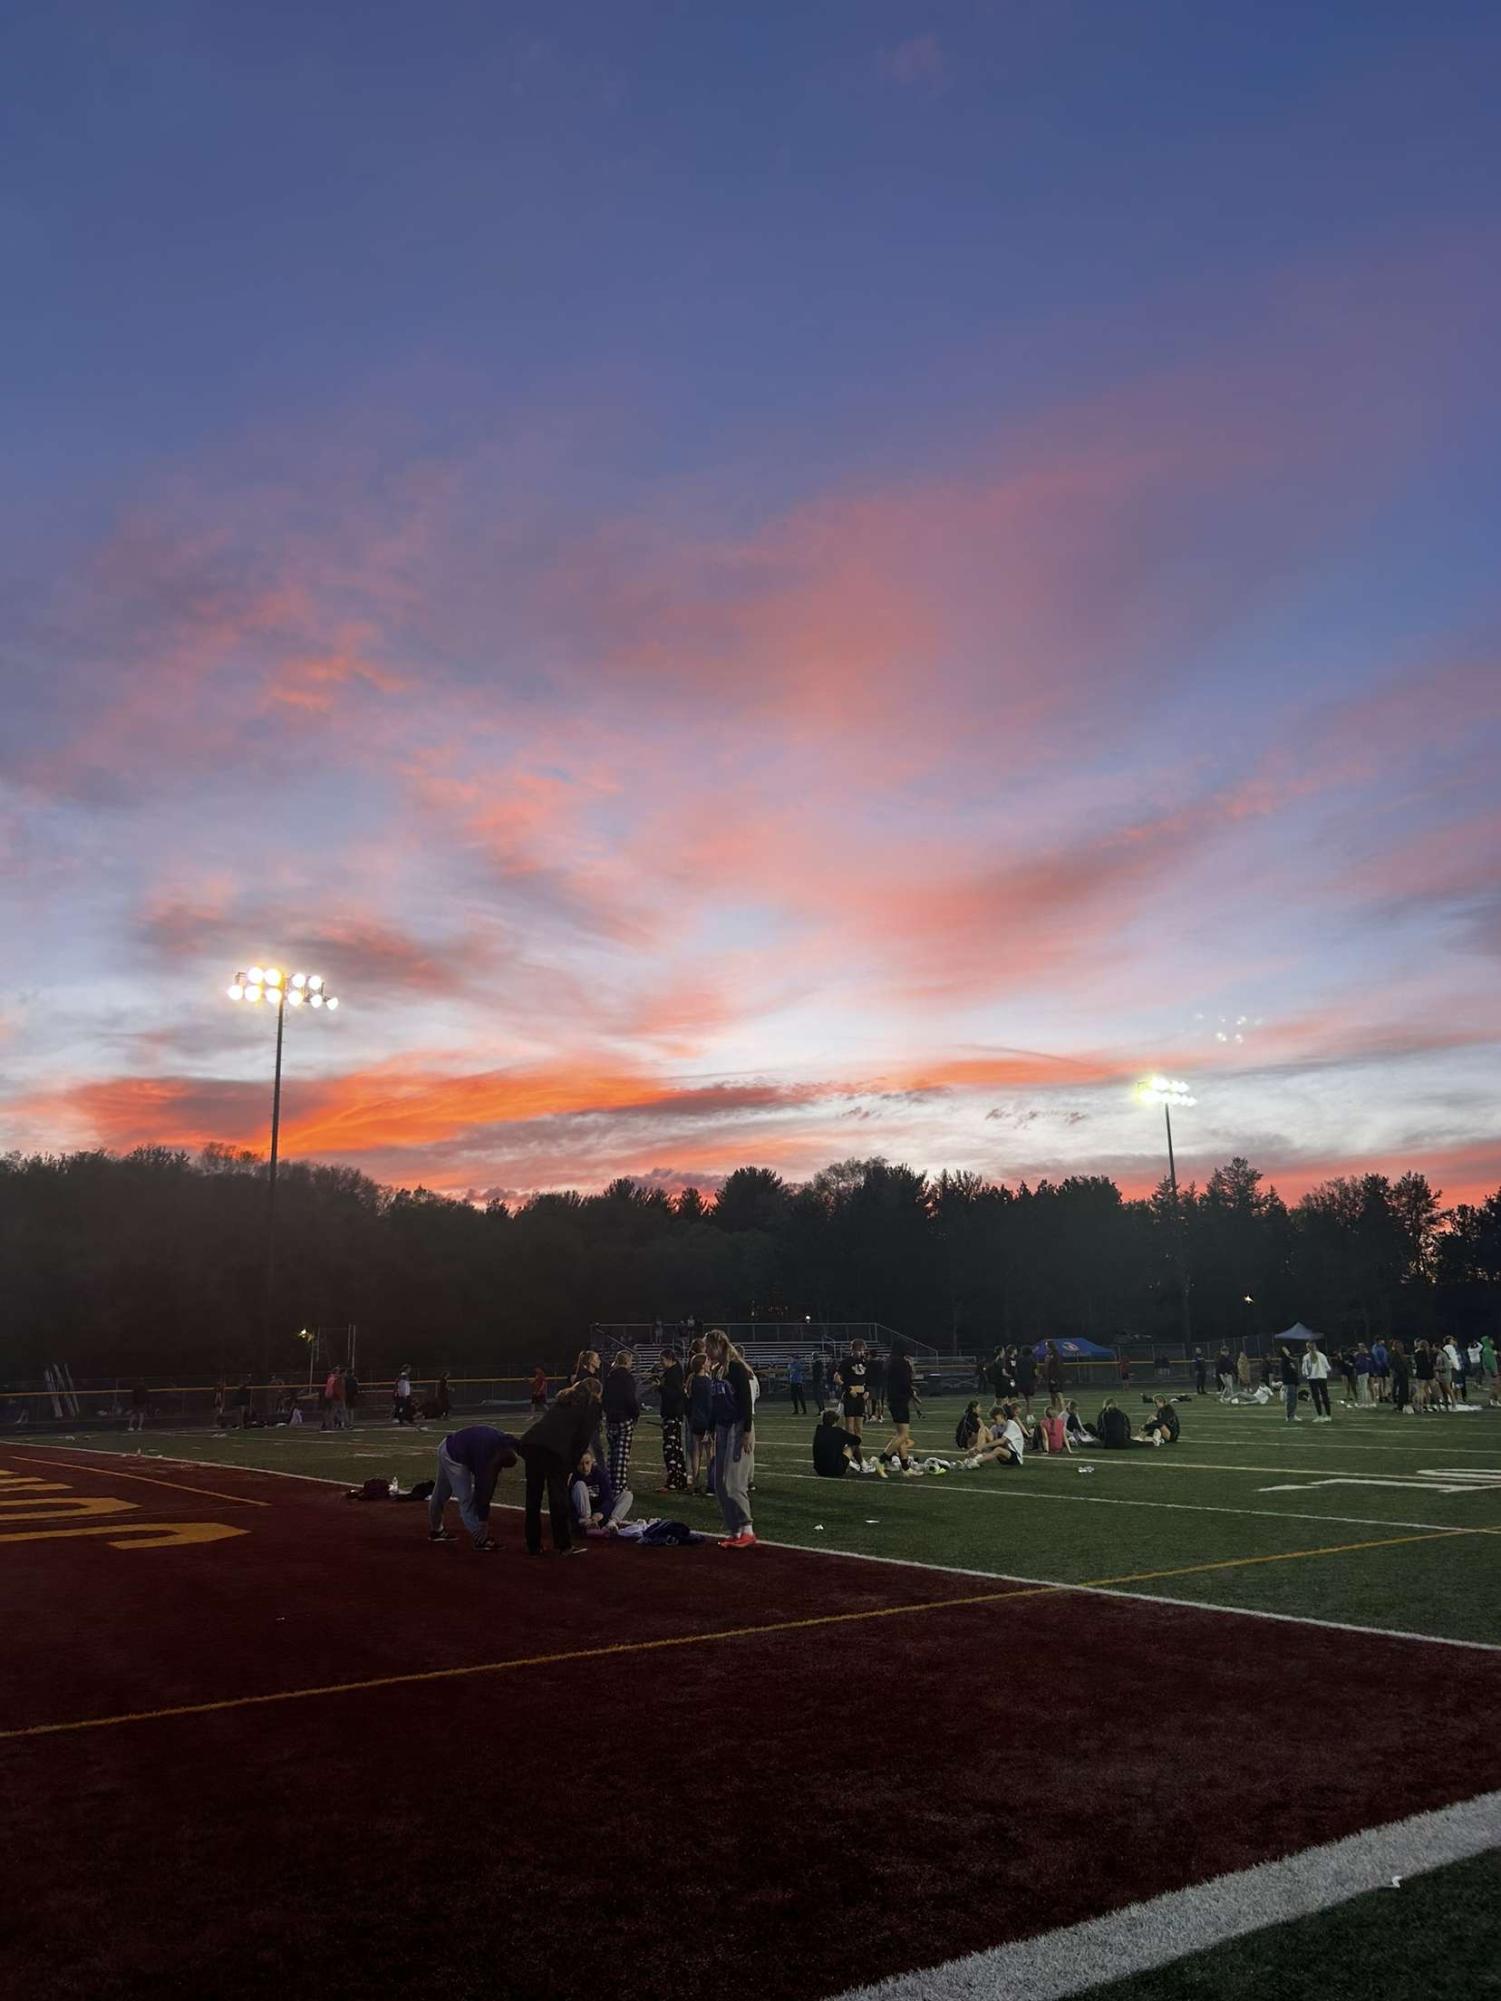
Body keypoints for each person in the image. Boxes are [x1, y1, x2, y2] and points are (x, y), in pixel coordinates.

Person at [516, 1379, 600, 1556]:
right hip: (554, 1452)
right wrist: (570, 1468)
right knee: (558, 1499)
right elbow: (581, 1441)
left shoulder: (564, 1400)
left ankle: (533, 1545)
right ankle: (563, 1545)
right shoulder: (589, 1407)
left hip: (532, 1444)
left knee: (533, 1497)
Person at [427, 1424, 518, 1551]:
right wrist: (483, 1521)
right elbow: (482, 1491)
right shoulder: (484, 1454)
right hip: (454, 1456)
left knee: (441, 1493)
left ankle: (436, 1530)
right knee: (466, 1499)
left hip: (448, 1445)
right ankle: (480, 1538)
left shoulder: (502, 1441)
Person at [706, 1329, 755, 1548]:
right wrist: (710, 1429)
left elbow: (746, 1402)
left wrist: (746, 1432)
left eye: (709, 1346)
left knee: (734, 1481)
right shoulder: (716, 1370)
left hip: (738, 1426)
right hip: (723, 1428)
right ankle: (734, 1530)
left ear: (719, 1346)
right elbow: (714, 1404)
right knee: (719, 1482)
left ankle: (747, 1529)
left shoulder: (736, 1369)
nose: (706, 1350)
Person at [876, 1339, 921, 1474]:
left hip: (893, 1399)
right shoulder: (902, 1363)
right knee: (903, 1435)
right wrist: (913, 1394)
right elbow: (905, 1383)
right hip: (900, 1400)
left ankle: (905, 1468)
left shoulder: (890, 1362)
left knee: (899, 1434)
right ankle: (882, 1460)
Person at [570, 1449, 633, 1534]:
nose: (585, 1467)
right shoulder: (572, 1477)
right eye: (581, 1464)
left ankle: (611, 1523)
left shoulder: (600, 1474)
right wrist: (578, 1519)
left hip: (599, 1514)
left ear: (592, 1461)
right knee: (580, 1485)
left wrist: (601, 1513)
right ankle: (587, 1522)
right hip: (582, 1516)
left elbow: (608, 1498)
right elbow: (567, 1503)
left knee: (627, 1495)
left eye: (587, 1463)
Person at [603, 1351, 640, 1492]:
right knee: (622, 1454)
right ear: (627, 1362)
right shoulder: (627, 1378)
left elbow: (604, 1398)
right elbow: (630, 1399)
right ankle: (619, 1485)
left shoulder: (609, 1376)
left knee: (611, 1453)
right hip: (624, 1419)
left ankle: (610, 1482)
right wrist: (635, 1414)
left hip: (611, 1418)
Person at [656, 1347, 688, 1492]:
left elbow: (676, 1394)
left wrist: (661, 1388)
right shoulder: (675, 1372)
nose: (660, 1363)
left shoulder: (673, 1373)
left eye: (662, 1360)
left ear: (670, 1359)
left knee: (671, 1449)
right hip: (674, 1414)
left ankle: (673, 1481)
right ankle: (680, 1479)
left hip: (672, 1414)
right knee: (676, 1448)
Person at [833, 1339, 870, 1461]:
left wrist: (867, 1391)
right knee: (849, 1429)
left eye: (862, 1349)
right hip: (850, 1396)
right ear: (852, 1349)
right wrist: (849, 1389)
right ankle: (849, 1456)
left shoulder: (865, 1362)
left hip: (861, 1397)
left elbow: (867, 1378)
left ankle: (854, 1455)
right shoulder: (846, 1362)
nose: (860, 1352)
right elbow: (837, 1379)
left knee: (859, 1430)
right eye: (858, 1349)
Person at [685, 1350, 714, 1493]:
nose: (710, 1363)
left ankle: (696, 1483)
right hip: (706, 1420)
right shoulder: (707, 1382)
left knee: (696, 1453)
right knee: (710, 1452)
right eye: (707, 1361)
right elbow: (710, 1405)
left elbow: (689, 1402)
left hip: (695, 1419)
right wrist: (710, 1426)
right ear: (702, 1365)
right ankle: (711, 1481)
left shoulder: (692, 1380)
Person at [966, 1401, 1026, 1468]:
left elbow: (1002, 1441)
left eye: (995, 1418)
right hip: (1003, 1456)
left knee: (998, 1449)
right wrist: (975, 1448)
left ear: (1001, 1416)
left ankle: (974, 1462)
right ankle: (974, 1457)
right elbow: (985, 1438)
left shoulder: (1011, 1424)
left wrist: (983, 1446)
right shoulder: (996, 1427)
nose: (993, 1421)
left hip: (1015, 1458)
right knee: (984, 1429)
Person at [813, 1409, 860, 1477]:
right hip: (836, 1470)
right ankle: (863, 1465)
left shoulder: (819, 1430)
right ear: (835, 1421)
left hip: (819, 1471)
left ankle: (855, 1464)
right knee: (852, 1445)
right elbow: (857, 1440)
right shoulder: (838, 1431)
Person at [1301, 1339, 1333, 1423]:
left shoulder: (1306, 1357)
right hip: (1322, 1378)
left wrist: (1307, 1373)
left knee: (1316, 1398)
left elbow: (1304, 1371)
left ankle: (1319, 1415)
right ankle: (1328, 1415)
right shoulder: (1322, 1355)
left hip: (1312, 1379)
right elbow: (1328, 1368)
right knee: (1325, 1396)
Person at [1277, 1344, 1302, 1423]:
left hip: (1294, 1381)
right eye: (1285, 1350)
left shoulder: (1291, 1360)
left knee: (1294, 1399)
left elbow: (1294, 1371)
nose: (1287, 1351)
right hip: (1288, 1382)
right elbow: (1285, 1372)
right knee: (1290, 1399)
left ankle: (1293, 1414)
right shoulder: (1284, 1361)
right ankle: (1288, 1415)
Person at [1389, 1338, 1413, 1415]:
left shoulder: (1397, 1354)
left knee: (1402, 1390)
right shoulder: (1396, 1354)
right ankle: (1402, 1405)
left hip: (1400, 1374)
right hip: (1400, 1374)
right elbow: (1394, 1364)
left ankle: (1401, 1405)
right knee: (1402, 1390)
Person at [1412, 1339, 1434, 1412]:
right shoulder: (1430, 1353)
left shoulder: (1418, 1353)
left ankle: (1420, 1407)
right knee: (1427, 1390)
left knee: (1420, 1391)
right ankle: (1428, 1405)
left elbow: (1417, 1364)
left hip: (1421, 1373)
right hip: (1429, 1374)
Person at [1015, 1345, 1038, 1413]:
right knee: (1030, 1400)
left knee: (1026, 1400)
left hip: (1022, 1382)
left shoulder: (1018, 1360)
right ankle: (1030, 1416)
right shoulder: (1032, 1360)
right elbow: (1035, 1372)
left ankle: (1028, 1414)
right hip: (1030, 1382)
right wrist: (1036, 1380)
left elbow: (1016, 1371)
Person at [867, 1350, 887, 1423]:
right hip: (880, 1383)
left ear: (870, 1355)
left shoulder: (869, 1362)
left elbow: (867, 1373)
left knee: (869, 1400)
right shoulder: (881, 1362)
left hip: (871, 1383)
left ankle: (871, 1416)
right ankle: (880, 1416)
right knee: (879, 1400)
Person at [1370, 1336, 1390, 1402]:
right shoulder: (1375, 1348)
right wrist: (1379, 1365)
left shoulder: (1383, 1347)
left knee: (1385, 1381)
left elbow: (1386, 1356)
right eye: (1381, 1340)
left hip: (1385, 1366)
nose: (1383, 1341)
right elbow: (1375, 1358)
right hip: (1380, 1367)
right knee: (1380, 1381)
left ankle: (1385, 1395)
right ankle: (1381, 1396)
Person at [344, 1365, 360, 1430]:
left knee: (346, 1410)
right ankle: (351, 1424)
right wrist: (356, 1394)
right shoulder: (354, 1379)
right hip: (352, 1396)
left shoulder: (345, 1379)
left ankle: (347, 1423)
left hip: (347, 1395)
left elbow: (344, 1387)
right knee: (351, 1410)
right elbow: (356, 1388)